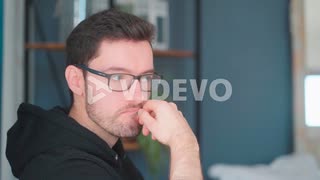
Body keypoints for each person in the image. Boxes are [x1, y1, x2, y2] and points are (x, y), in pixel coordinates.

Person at [6, 9, 202, 180]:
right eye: (117, 77)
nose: (138, 95)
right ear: (76, 81)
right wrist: (184, 144)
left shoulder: (107, 151)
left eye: (145, 77)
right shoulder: (66, 171)